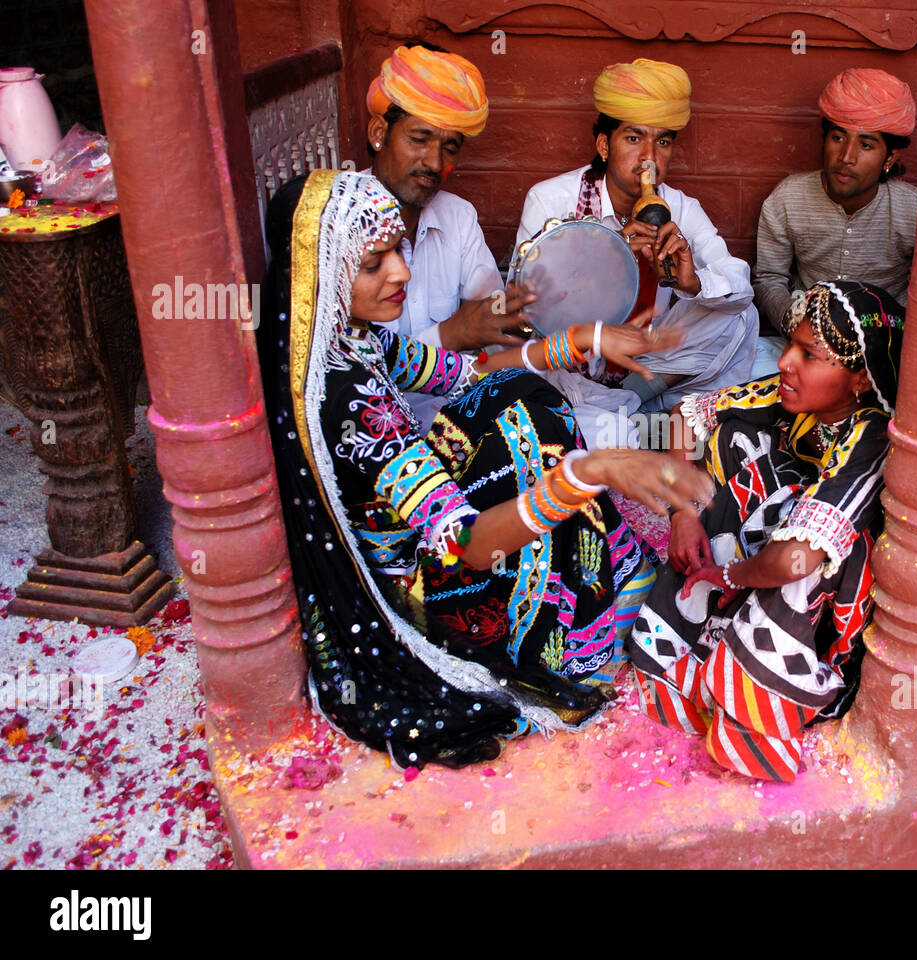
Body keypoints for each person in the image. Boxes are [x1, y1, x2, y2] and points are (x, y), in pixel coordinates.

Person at [257, 169, 714, 769]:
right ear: (322, 269)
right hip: (423, 581)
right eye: (374, 262)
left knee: (518, 391)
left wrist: (585, 338)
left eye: (398, 250)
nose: (401, 271)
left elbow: (463, 373)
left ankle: (600, 568)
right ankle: (574, 617)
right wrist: (589, 472)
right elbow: (468, 545)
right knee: (536, 436)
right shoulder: (350, 400)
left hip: (426, 523)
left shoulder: (345, 336)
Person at [627, 280, 904, 782]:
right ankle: (700, 646)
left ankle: (757, 703)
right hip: (757, 558)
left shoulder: (869, 436)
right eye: (790, 345)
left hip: (812, 598)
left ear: (860, 379)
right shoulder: (790, 400)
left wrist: (732, 575)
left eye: (809, 355)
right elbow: (681, 418)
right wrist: (684, 514)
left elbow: (791, 560)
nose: (784, 363)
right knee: (733, 439)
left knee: (806, 546)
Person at [516, 58, 759, 446]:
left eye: (662, 141)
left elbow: (738, 280)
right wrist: (609, 266)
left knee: (739, 314)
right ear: (603, 145)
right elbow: (530, 312)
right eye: (634, 138)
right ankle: (634, 416)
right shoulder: (550, 201)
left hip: (643, 358)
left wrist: (693, 282)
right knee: (529, 371)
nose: (649, 157)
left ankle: (627, 401)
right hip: (576, 359)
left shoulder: (679, 207)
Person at [365, 43, 536, 429]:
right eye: (419, 139)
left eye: (449, 147)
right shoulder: (342, 225)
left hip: (461, 408)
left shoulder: (456, 216)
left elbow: (493, 314)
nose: (435, 163)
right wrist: (450, 334)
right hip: (379, 428)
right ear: (379, 134)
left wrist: (532, 308)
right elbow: (350, 366)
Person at [753, 68, 917, 336]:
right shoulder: (788, 199)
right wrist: (797, 326)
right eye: (838, 138)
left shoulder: (913, 211)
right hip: (807, 338)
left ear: (890, 157)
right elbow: (769, 279)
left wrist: (892, 334)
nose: (846, 157)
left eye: (866, 145)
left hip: (886, 341)